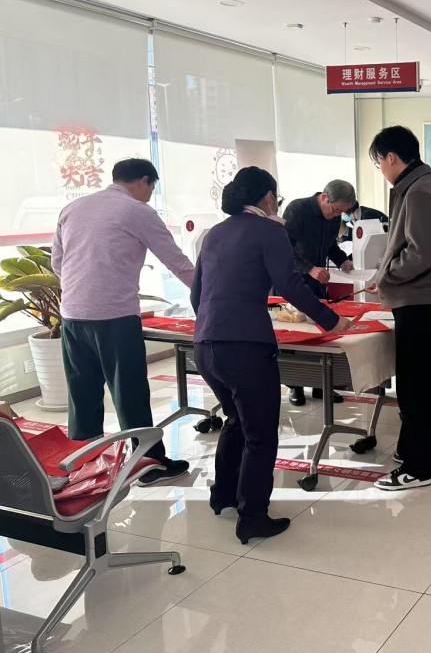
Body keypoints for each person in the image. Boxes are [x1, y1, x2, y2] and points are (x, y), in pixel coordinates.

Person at [192, 166, 348, 544]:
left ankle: (224, 494)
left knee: (235, 419)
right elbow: (290, 284)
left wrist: (216, 325)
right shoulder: (269, 230)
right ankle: (253, 517)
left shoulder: (214, 233)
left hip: (206, 344)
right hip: (245, 347)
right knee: (260, 434)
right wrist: (331, 320)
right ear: (267, 198)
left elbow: (196, 293)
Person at [52, 158, 195, 486]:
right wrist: (212, 294)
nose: (150, 195)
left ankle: (83, 466)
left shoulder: (73, 208)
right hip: (114, 316)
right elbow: (176, 262)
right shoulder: (138, 211)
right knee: (129, 392)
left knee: (82, 393)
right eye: (151, 188)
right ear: (144, 181)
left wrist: (83, 292)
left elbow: (58, 263)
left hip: (73, 315)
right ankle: (148, 464)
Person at [368, 126, 431, 490]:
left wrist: (387, 275)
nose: (380, 169)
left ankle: (418, 468)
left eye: (379, 161)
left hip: (418, 300)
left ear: (391, 157)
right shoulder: (424, 185)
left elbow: (420, 253)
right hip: (427, 300)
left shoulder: (418, 192)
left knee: (416, 385)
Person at [281, 179, 358, 407]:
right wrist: (310, 269)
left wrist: (342, 260)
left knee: (321, 334)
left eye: (342, 213)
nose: (337, 216)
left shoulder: (333, 217)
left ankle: (321, 385)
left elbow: (330, 245)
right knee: (297, 336)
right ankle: (295, 386)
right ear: (325, 197)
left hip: (318, 283)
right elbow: (283, 250)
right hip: (294, 281)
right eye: (335, 210)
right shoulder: (297, 210)